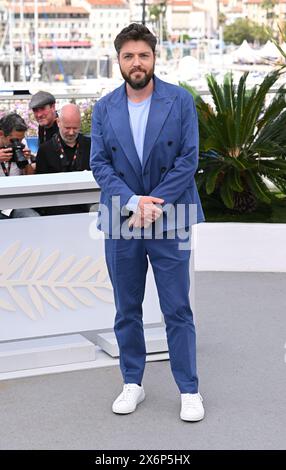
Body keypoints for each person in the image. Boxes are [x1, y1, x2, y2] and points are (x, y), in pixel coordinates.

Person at [90, 23, 205, 421]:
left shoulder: (181, 100)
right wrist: (134, 201)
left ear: (155, 58)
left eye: (143, 55)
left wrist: (155, 203)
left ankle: (189, 389)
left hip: (170, 215)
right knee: (127, 308)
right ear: (118, 60)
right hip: (123, 218)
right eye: (128, 56)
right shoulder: (104, 107)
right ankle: (132, 383)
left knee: (177, 308)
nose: (136, 63)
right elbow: (99, 164)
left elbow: (189, 159)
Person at [36, 103, 91, 215]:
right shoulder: (45, 150)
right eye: (67, 128)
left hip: (87, 203)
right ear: (58, 123)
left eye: (75, 128)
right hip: (56, 207)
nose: (71, 132)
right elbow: (41, 187)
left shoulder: (91, 146)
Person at [0, 113, 39, 220]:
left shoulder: (22, 144)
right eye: (14, 140)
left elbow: (30, 177)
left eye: (21, 139)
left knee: (34, 219)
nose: (18, 143)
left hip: (16, 200)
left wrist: (26, 161)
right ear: (1, 134)